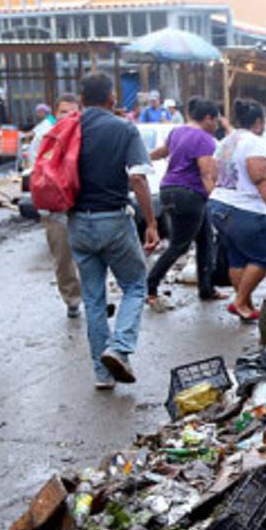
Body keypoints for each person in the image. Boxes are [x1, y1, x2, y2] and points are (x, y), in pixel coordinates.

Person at [69, 72, 160, 389]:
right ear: (112, 98)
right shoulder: (123, 128)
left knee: (93, 299)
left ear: (81, 99)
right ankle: (119, 348)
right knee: (135, 285)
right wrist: (151, 222)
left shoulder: (69, 128)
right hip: (114, 220)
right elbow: (137, 178)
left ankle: (102, 374)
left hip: (77, 222)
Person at [207, 98, 266, 322]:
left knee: (238, 257)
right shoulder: (255, 143)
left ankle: (246, 305)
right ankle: (240, 301)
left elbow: (212, 175)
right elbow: (260, 179)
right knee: (264, 256)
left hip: (219, 205)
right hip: (245, 208)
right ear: (258, 122)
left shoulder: (226, 142)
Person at [145, 98, 223, 305]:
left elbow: (162, 152)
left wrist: (142, 158)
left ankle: (206, 288)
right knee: (179, 245)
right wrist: (216, 200)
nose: (216, 126)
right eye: (216, 121)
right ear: (208, 118)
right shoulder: (205, 139)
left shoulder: (177, 131)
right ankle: (150, 285)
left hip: (167, 190)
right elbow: (206, 174)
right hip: (189, 194)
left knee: (205, 238)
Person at [29, 93, 83, 317]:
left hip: (82, 205)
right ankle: (72, 299)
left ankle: (91, 296)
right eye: (63, 112)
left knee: (89, 255)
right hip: (55, 208)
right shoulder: (44, 136)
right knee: (63, 257)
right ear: (55, 113)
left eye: (73, 112)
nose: (68, 116)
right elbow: (36, 172)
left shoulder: (84, 134)